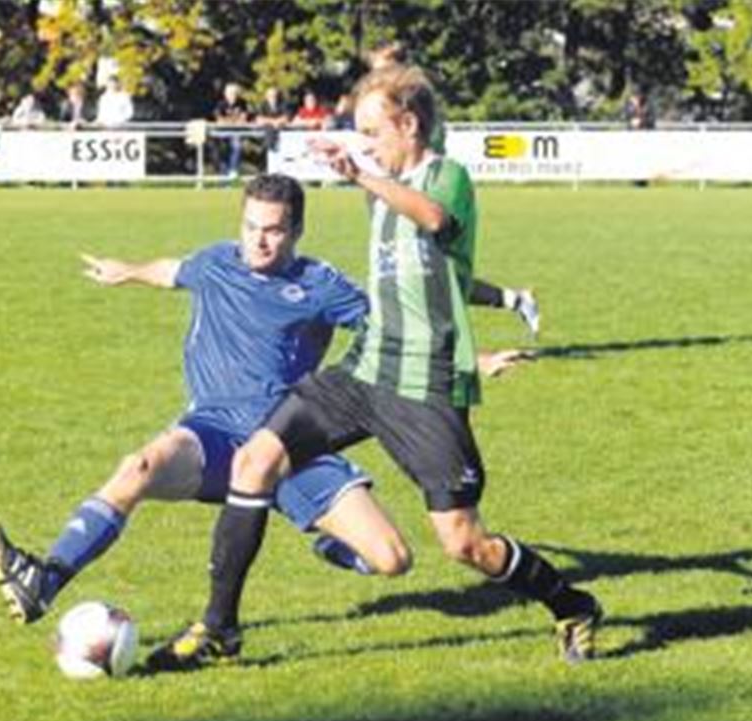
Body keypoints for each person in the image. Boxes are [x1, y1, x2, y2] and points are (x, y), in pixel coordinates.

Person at [164, 65, 601, 670]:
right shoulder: (381, 190)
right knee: (254, 459)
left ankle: (572, 603)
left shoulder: (447, 177)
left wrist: (360, 173)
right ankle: (220, 628)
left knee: (463, 542)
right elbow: (441, 279)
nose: (365, 142)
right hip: (365, 370)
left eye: (373, 130)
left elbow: (435, 221)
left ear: (410, 123)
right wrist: (363, 173)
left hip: (424, 386)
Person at [0, 174, 532, 627]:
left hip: (288, 441)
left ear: (296, 230)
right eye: (250, 227)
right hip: (213, 433)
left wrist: (471, 360)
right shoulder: (217, 261)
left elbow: (400, 323)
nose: (258, 241)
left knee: (392, 560)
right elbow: (172, 271)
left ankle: (313, 532)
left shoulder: (321, 285)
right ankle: (45, 578)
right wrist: (126, 272)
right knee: (138, 468)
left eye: (272, 231)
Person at [213, 83, 250, 178]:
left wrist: (232, 121)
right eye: (230, 93)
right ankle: (223, 174)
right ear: (225, 94)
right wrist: (233, 121)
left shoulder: (242, 103)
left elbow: (244, 118)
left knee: (237, 147)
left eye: (234, 93)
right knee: (223, 151)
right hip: (223, 132)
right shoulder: (221, 104)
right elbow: (219, 119)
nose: (232, 96)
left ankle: (233, 170)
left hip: (236, 131)